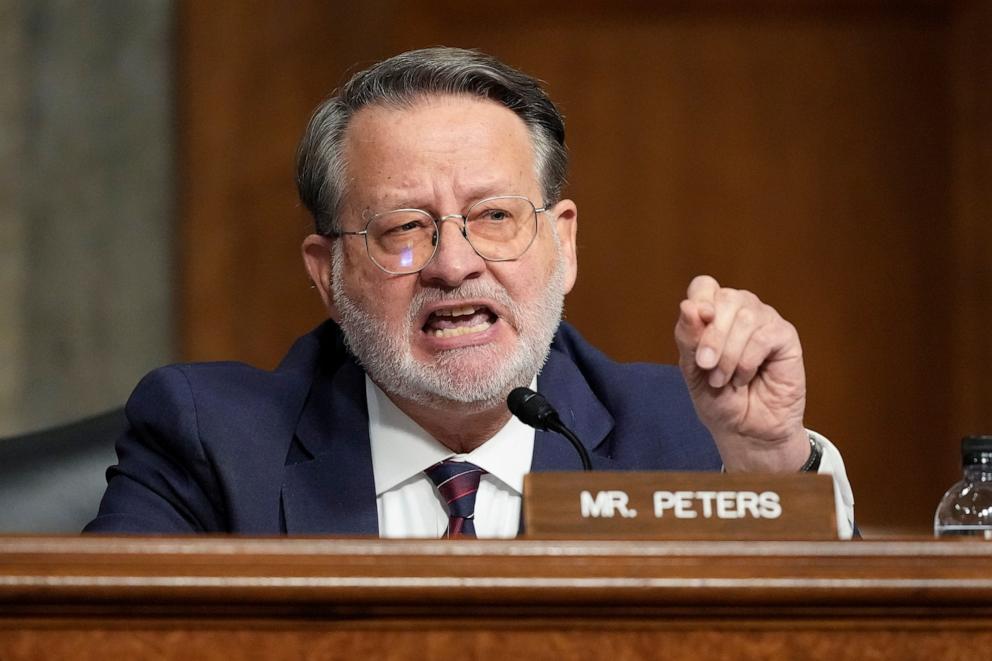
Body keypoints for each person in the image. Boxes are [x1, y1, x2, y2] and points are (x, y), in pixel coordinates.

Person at [85, 47, 854, 538]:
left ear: (564, 241)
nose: (454, 264)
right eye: (403, 228)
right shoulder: (212, 444)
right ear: (327, 271)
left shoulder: (683, 438)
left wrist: (766, 471)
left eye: (493, 216)